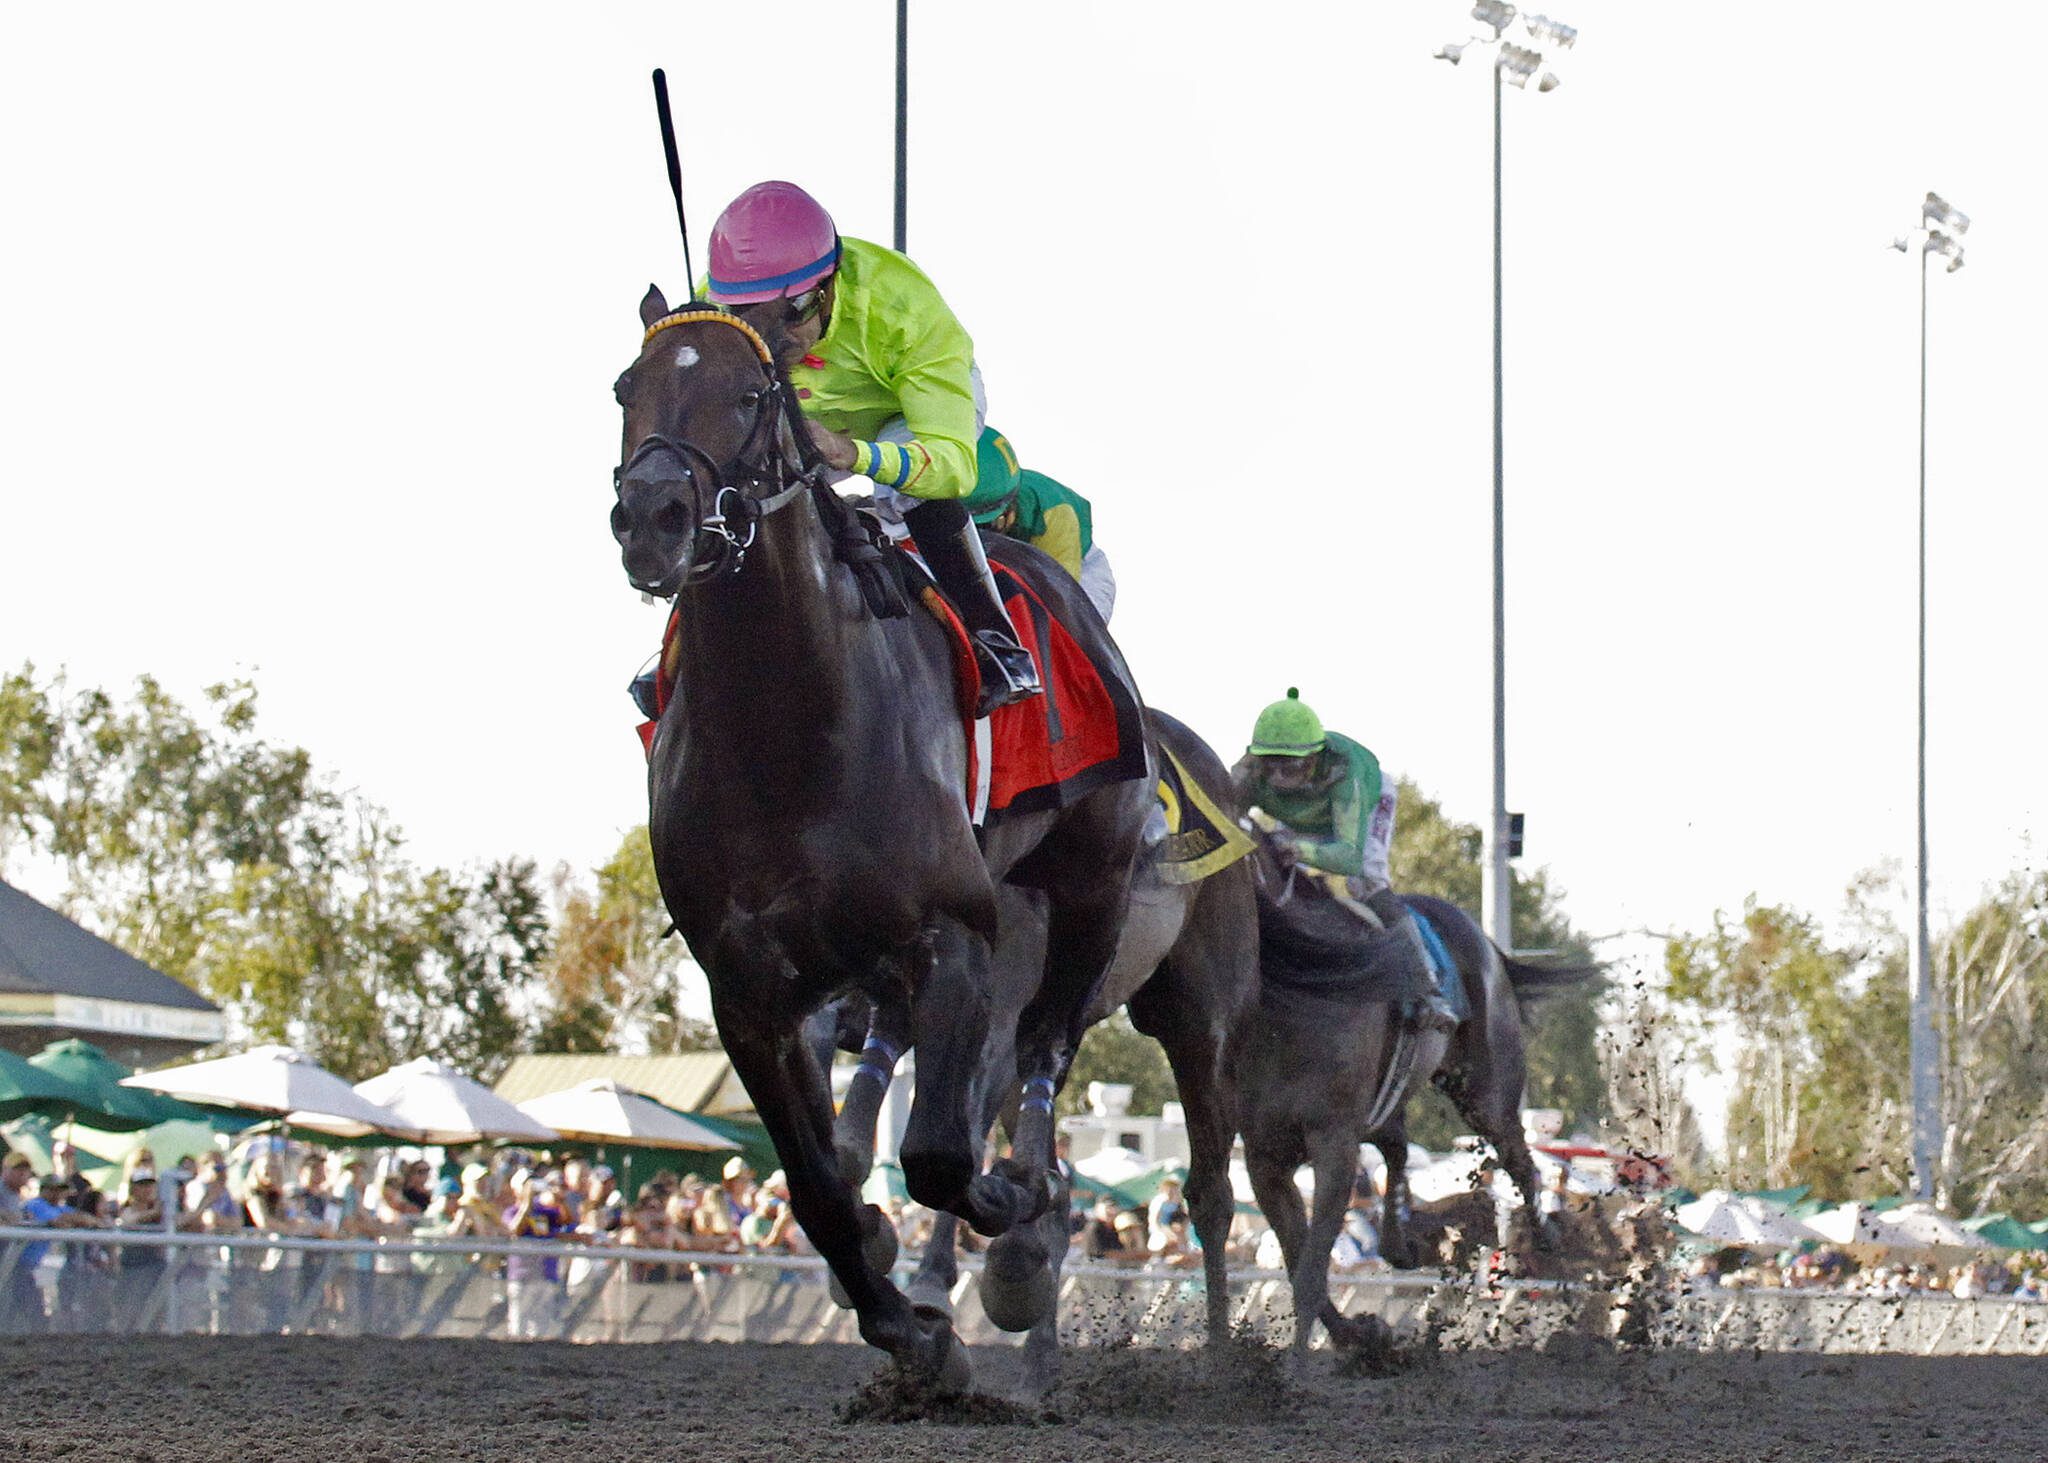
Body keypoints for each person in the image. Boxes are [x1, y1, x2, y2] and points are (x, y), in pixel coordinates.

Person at [702, 180, 1040, 713]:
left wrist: (855, 455)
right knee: (731, 484)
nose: (771, 335)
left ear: (827, 285)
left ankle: (995, 640)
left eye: (789, 313)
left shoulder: (905, 308)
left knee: (903, 495)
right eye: (749, 316)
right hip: (811, 411)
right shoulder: (717, 307)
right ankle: (689, 650)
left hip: (907, 411)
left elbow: (952, 467)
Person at [1233, 687, 1457, 1033]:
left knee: (1365, 883)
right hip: (1306, 815)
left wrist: (1303, 850)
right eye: (1269, 764)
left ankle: (1430, 989)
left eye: (1289, 767)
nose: (1277, 778)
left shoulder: (1344, 773)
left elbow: (1349, 856)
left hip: (1364, 805)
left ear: (1314, 758)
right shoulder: (1249, 773)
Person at [961, 427, 1116, 624]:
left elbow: (1060, 597)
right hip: (1009, 563)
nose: (980, 533)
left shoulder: (1055, 514)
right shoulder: (985, 488)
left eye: (986, 526)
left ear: (1008, 509)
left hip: (1077, 573)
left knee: (1062, 632)